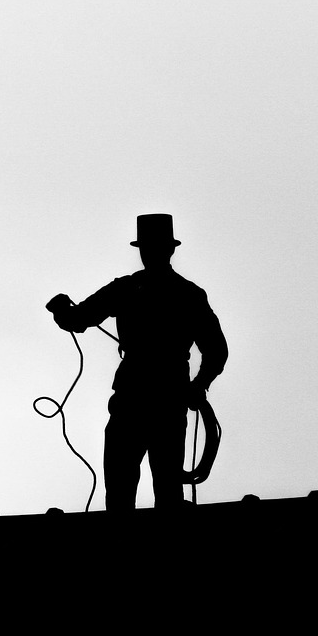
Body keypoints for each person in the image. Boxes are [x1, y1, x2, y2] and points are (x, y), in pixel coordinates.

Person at [47, 214, 227, 511]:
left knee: (126, 481)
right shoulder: (186, 293)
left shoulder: (130, 289)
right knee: (159, 483)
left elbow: (77, 319)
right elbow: (217, 351)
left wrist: (60, 311)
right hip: (166, 395)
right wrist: (198, 385)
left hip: (140, 395)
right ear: (170, 250)